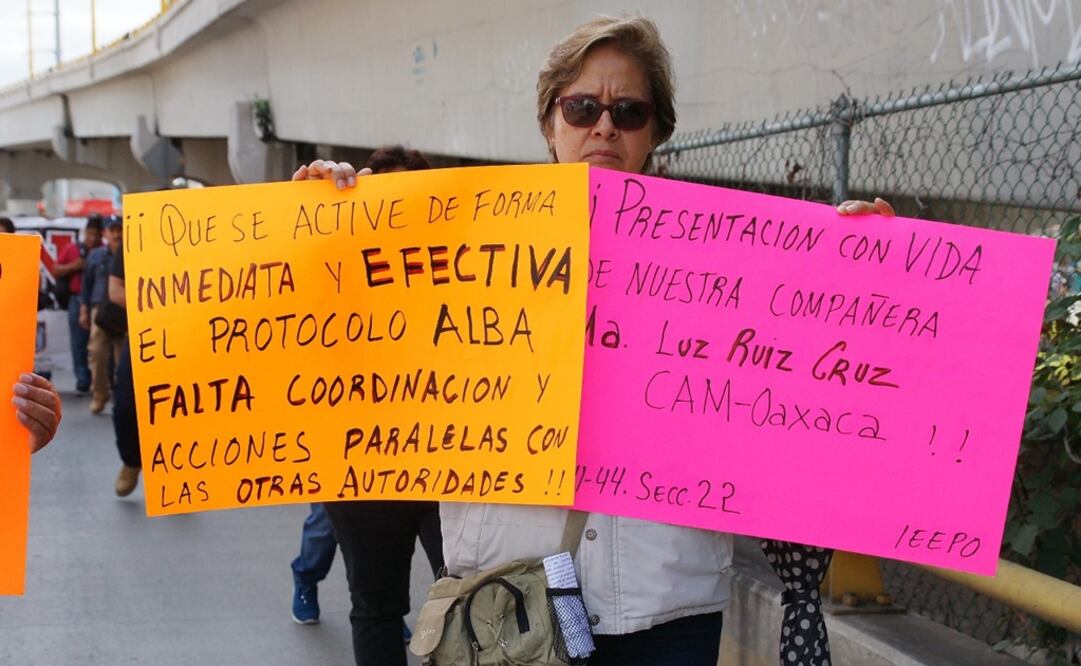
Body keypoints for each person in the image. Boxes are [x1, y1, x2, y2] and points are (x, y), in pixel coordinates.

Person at [296, 17, 892, 665]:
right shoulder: (458, 248)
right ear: (549, 123)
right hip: (511, 603)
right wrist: (319, 229)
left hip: (666, 605)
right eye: (581, 107)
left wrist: (861, 271)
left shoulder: (726, 263)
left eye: (628, 111)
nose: (603, 127)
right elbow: (350, 347)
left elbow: (798, 387)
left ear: (656, 131)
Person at [292, 145, 445, 664]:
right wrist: (311, 205)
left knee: (474, 594)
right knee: (377, 608)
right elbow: (282, 291)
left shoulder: (465, 273)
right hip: (363, 463)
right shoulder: (336, 267)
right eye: (386, 199)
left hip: (453, 461)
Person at [53, 214, 103, 394]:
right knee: (78, 342)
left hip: (98, 301)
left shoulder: (104, 251)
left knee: (99, 344)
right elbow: (56, 269)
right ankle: (83, 379)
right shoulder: (72, 249)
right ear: (84, 233)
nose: (93, 238)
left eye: (96, 234)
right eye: (90, 234)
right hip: (76, 299)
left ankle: (100, 381)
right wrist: (75, 266)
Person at [106, 236, 141, 497]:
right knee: (126, 405)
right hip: (144, 334)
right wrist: (163, 302)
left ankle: (182, 474)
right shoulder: (134, 240)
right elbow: (116, 290)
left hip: (191, 335)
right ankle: (131, 461)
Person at [81, 215, 124, 414]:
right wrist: (84, 310)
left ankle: (122, 399)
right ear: (105, 233)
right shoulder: (96, 255)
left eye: (119, 229)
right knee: (97, 354)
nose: (116, 233)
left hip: (124, 309)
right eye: (112, 230)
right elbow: (86, 284)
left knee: (122, 358)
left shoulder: (133, 251)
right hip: (100, 310)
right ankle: (100, 395)